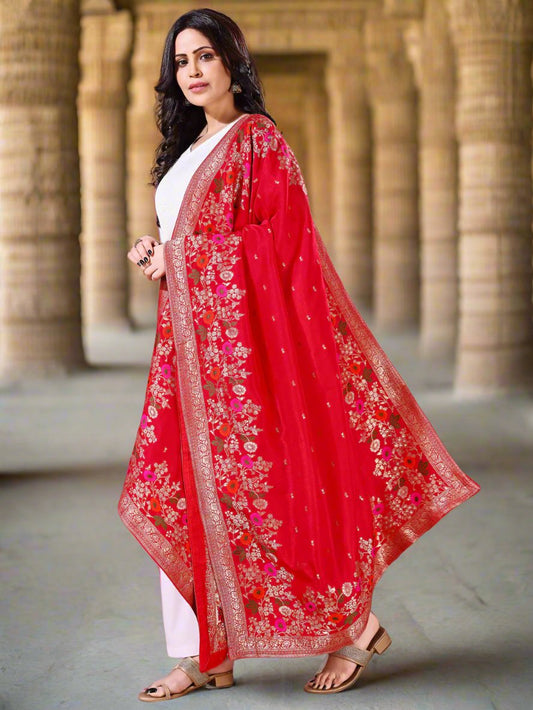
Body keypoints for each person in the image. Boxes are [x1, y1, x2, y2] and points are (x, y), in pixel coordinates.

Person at [119, 7, 480, 702]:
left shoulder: (258, 141)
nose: (192, 72)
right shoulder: (187, 149)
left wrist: (182, 258)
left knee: (274, 491)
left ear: (232, 63)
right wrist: (152, 250)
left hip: (243, 356)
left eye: (204, 57)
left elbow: (283, 246)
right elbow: (183, 237)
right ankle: (204, 656)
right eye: (181, 61)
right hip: (188, 357)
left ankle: (355, 627)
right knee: (187, 492)